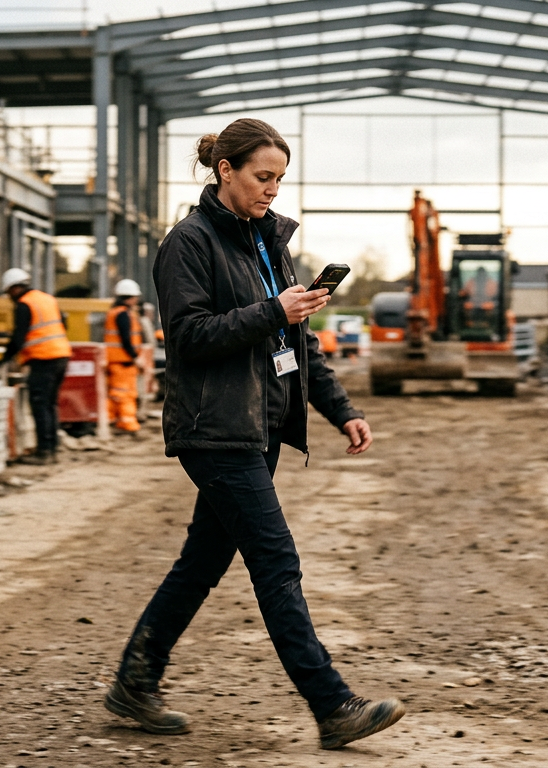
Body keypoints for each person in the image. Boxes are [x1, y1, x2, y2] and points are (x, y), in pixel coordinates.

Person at [106, 118, 404, 750]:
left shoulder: (267, 244)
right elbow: (187, 336)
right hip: (214, 430)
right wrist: (274, 310)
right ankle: (331, 705)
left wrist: (340, 409)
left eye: (279, 179)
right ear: (226, 172)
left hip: (258, 426)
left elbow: (296, 343)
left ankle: (136, 680)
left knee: (202, 562)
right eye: (263, 176)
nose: (273, 189)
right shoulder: (187, 244)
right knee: (275, 560)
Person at [0, 268, 72, 465]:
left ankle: (44, 452)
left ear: (14, 288)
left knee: (39, 405)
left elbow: (18, 338)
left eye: (8, 293)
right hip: (61, 356)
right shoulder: (47, 299)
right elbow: (64, 324)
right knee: (50, 404)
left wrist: (3, 359)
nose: (9, 297)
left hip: (43, 359)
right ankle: (52, 447)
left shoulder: (24, 305)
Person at [105, 279, 145, 436]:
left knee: (117, 394)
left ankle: (115, 421)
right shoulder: (122, 314)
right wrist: (136, 357)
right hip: (123, 361)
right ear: (130, 297)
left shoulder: (117, 312)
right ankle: (128, 424)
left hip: (118, 361)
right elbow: (126, 339)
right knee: (125, 395)